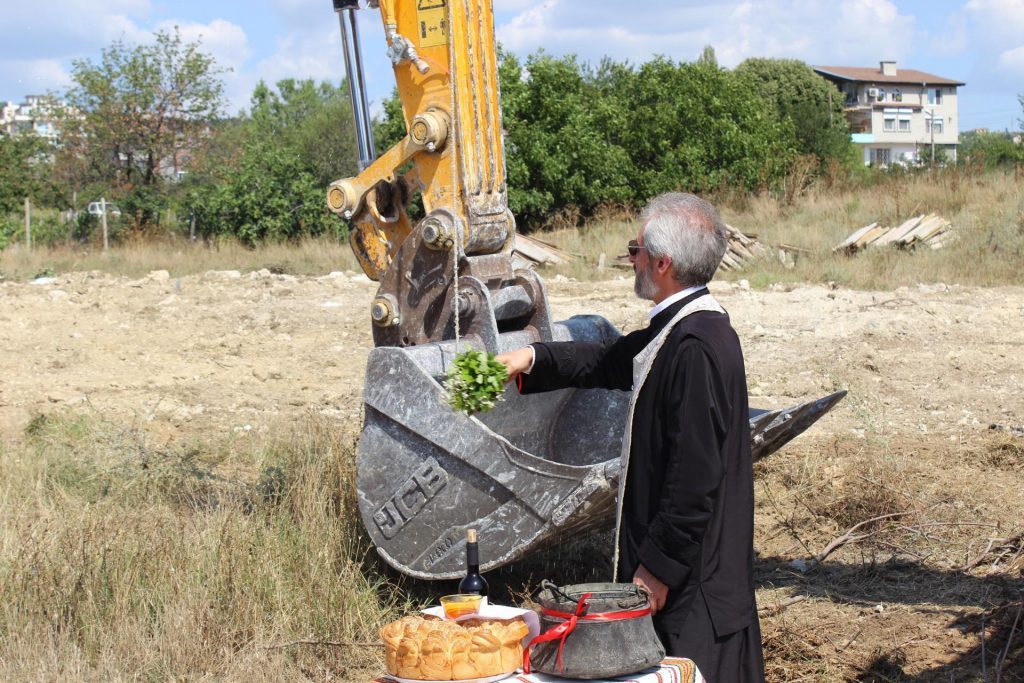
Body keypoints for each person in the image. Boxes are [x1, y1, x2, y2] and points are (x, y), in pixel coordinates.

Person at [496, 193, 765, 682]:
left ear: (662, 263)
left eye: (635, 250)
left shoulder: (695, 347)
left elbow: (694, 478)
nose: (631, 259)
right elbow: (609, 359)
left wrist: (658, 568)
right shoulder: (683, 328)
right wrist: (530, 358)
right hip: (691, 579)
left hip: (696, 591)